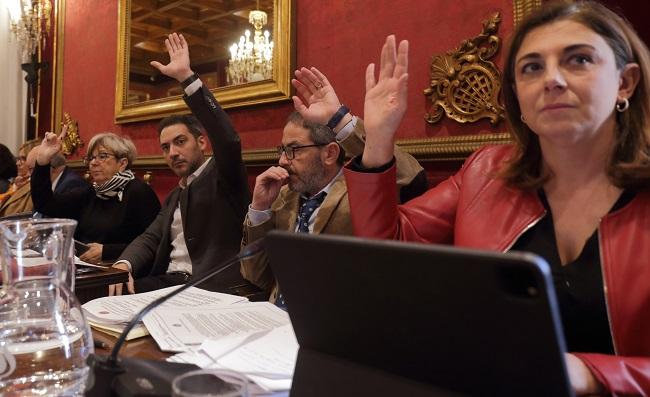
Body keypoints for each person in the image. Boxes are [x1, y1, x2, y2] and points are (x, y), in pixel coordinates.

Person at [343, 2, 650, 395]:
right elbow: (385, 253)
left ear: (625, 82)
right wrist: (380, 138)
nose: (551, 80)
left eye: (579, 60)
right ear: (517, 96)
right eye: (532, 67)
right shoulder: (487, 171)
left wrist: (588, 373)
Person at [240, 66, 427, 304]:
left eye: (293, 150)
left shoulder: (361, 193)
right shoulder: (283, 196)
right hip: (275, 321)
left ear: (329, 154)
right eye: (282, 150)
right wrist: (259, 210)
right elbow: (255, 276)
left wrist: (339, 120)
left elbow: (412, 177)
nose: (282, 161)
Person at [111, 32, 250, 294]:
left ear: (201, 142)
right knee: (100, 296)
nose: (172, 152)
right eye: (165, 148)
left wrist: (188, 78)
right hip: (169, 282)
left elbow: (229, 140)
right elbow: (150, 238)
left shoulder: (224, 176)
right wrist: (123, 265)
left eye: (180, 142)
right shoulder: (176, 194)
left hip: (211, 289)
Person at [33, 131, 160, 263]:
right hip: (85, 267)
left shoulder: (139, 192)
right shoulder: (91, 192)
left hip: (121, 270)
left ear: (122, 163)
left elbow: (154, 243)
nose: (93, 163)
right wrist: (43, 161)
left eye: (102, 156)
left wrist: (107, 251)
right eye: (91, 158)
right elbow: (45, 204)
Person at [0, 139, 39, 217]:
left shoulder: (36, 186)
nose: (17, 163)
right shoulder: (16, 184)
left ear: (34, 160)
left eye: (23, 159)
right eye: (18, 159)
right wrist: (15, 188)